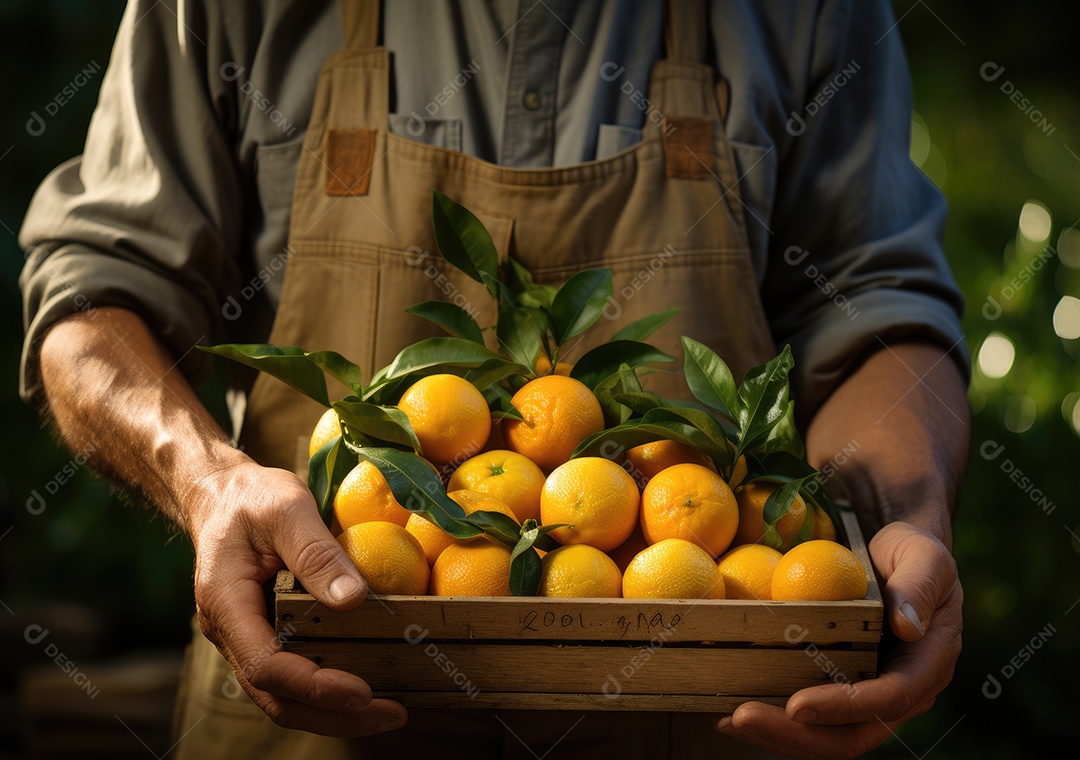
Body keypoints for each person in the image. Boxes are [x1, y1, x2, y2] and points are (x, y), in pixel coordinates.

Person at [18, 1, 968, 757]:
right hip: (307, 717)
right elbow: (97, 288)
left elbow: (877, 308)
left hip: (725, 714)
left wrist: (906, 520)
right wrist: (207, 480)